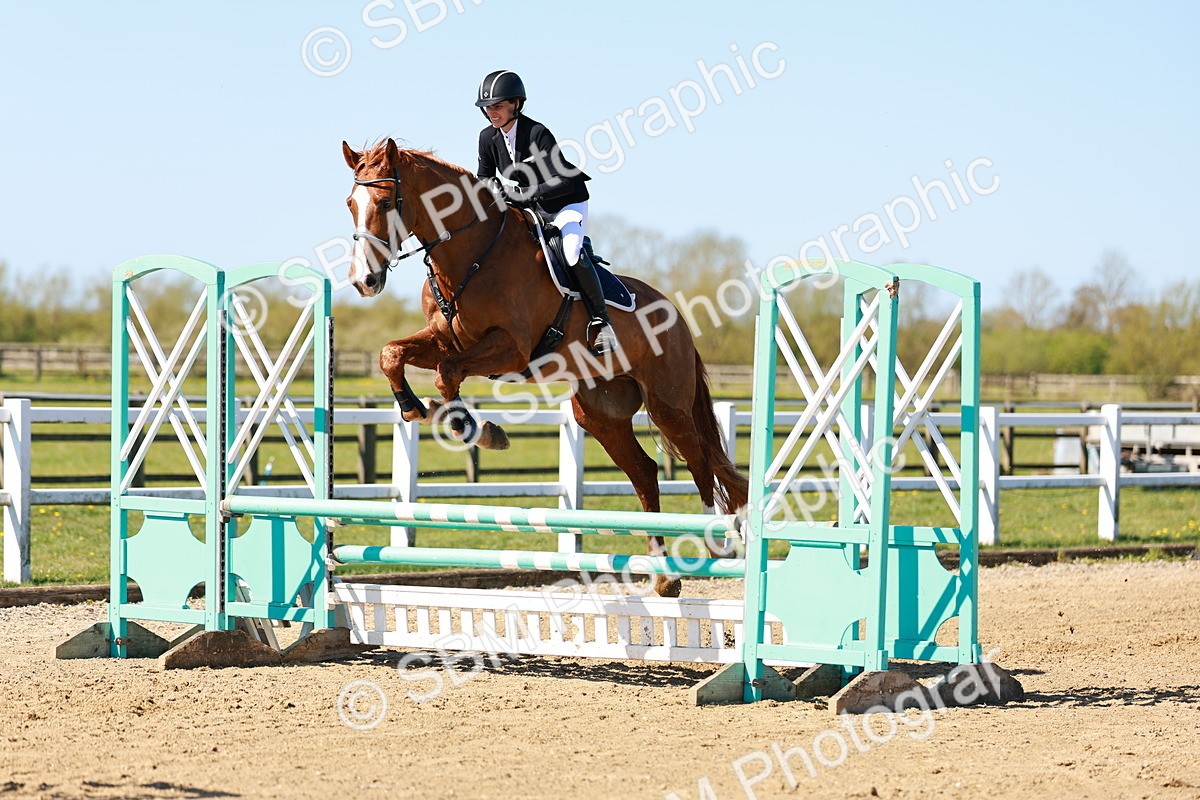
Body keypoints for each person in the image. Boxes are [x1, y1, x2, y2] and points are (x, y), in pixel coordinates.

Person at [474, 69, 618, 356]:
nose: (492, 112)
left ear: (516, 103)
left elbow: (563, 180)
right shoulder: (487, 138)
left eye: (498, 106)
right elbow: (484, 176)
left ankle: (602, 322)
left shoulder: (537, 133)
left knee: (571, 252)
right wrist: (494, 190)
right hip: (531, 209)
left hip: (565, 203)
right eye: (488, 107)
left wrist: (523, 195)